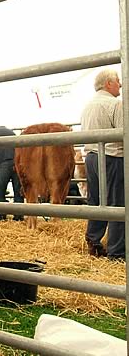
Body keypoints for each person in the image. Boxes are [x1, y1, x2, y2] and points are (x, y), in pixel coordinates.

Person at [81, 68, 124, 259]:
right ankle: (117, 252)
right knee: (117, 204)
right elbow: (124, 135)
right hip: (112, 157)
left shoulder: (87, 105)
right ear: (108, 83)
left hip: (91, 157)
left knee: (96, 200)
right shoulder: (115, 104)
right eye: (118, 81)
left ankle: (94, 242)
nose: (120, 84)